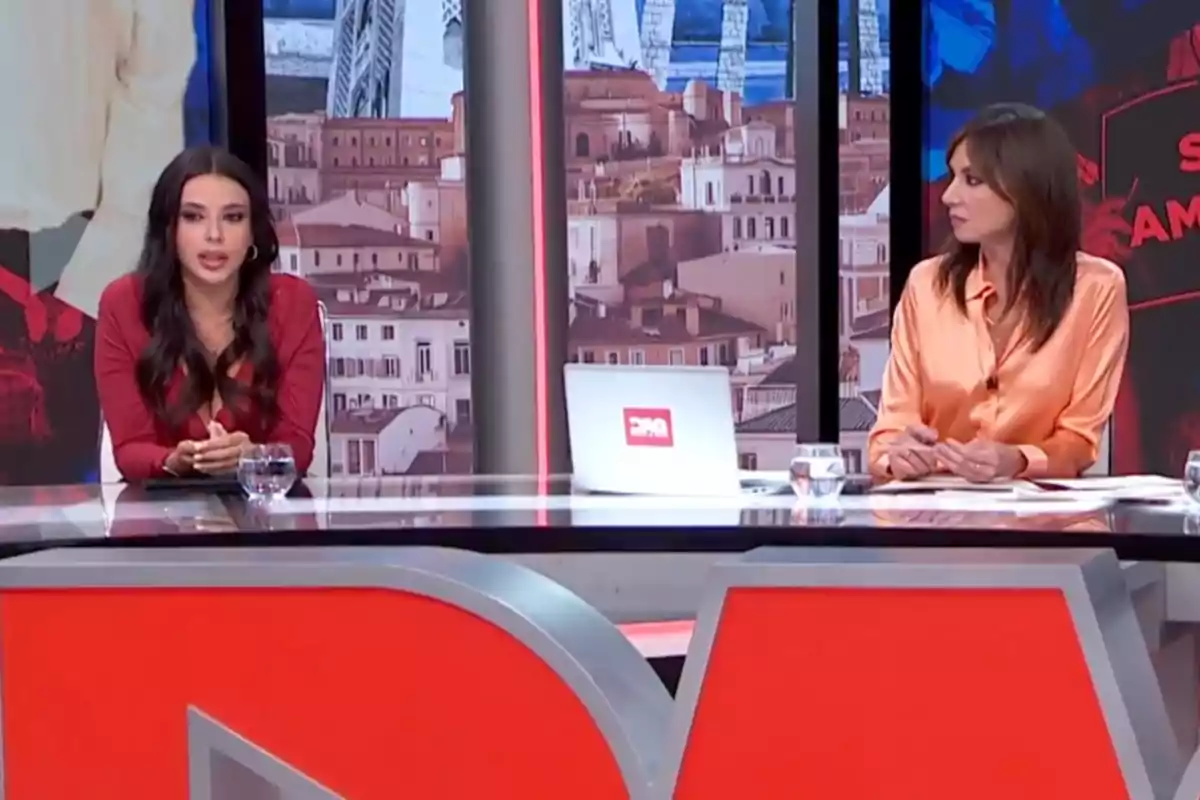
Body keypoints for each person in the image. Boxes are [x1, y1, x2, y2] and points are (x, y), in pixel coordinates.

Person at [867, 103, 1129, 482]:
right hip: (934, 508)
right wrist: (899, 456)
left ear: (1025, 190)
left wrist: (1017, 461)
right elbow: (889, 433)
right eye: (952, 177)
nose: (948, 196)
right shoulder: (926, 285)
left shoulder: (1097, 288)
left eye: (972, 181)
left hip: (1041, 513)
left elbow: (1079, 441)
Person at [0, 1, 196, 485]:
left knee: (52, 501)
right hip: (67, 236)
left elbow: (156, 75)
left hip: (63, 241)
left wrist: (104, 257)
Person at [94, 146, 325, 481]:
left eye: (233, 217)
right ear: (169, 229)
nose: (214, 235)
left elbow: (297, 446)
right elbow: (130, 449)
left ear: (253, 231)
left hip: (264, 507)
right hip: (162, 510)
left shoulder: (292, 303)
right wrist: (174, 460)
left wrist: (254, 455)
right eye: (193, 217)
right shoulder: (124, 304)